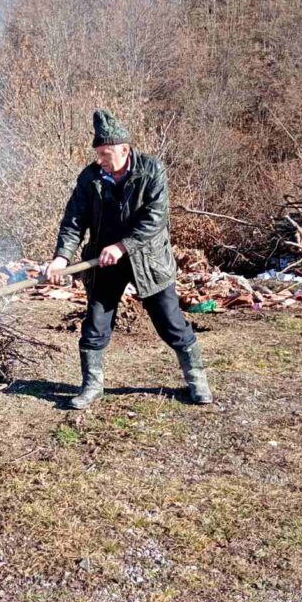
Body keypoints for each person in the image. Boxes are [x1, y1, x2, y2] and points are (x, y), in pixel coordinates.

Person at [44, 109, 212, 408]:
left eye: (106, 153)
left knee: (170, 322)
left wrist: (122, 246)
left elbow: (155, 219)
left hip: (148, 260)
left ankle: (196, 380)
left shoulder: (151, 170)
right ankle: (92, 386)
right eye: (98, 153)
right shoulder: (90, 177)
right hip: (103, 262)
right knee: (95, 325)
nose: (101, 160)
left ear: (125, 149)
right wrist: (61, 257)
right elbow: (73, 220)